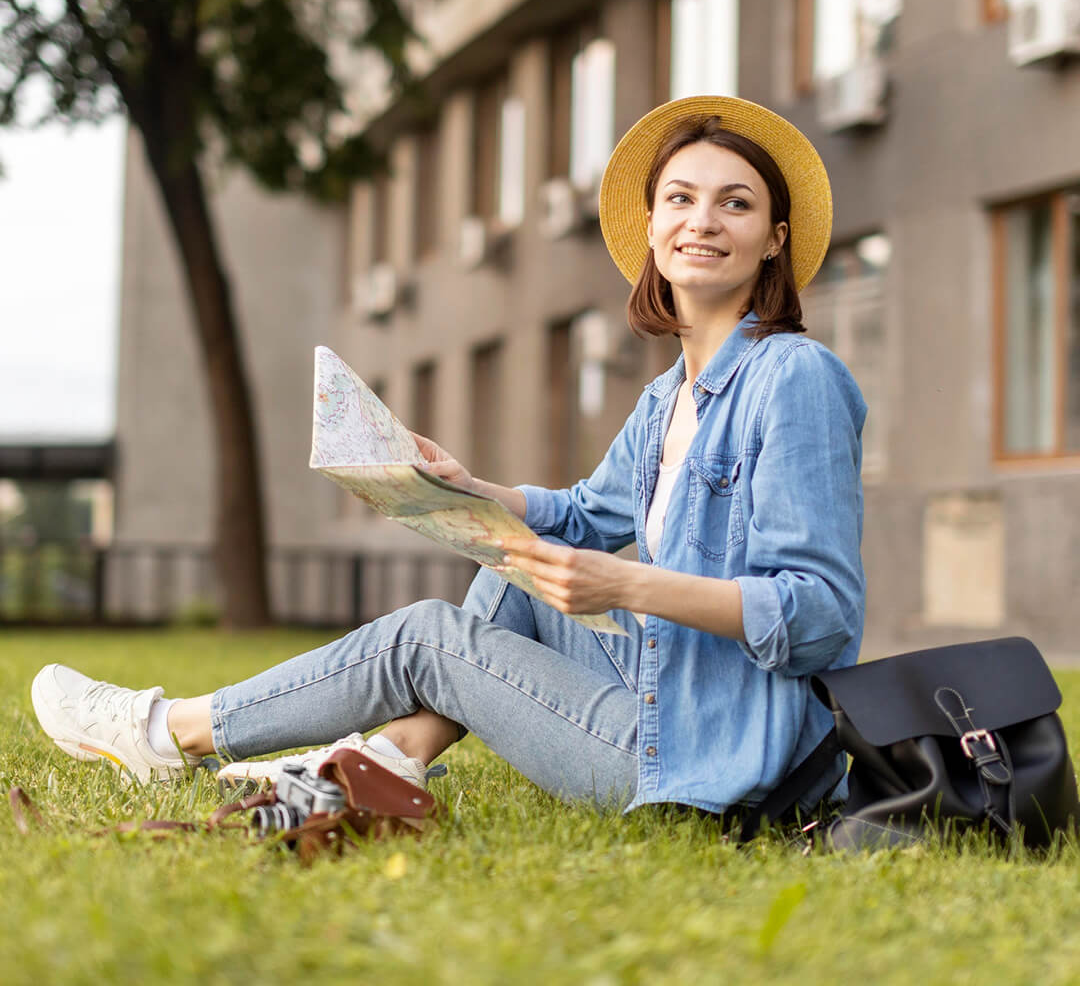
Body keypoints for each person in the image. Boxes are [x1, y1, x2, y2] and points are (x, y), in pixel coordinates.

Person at [30, 95, 866, 817]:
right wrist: (468, 487)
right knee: (515, 565)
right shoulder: (667, 397)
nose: (704, 222)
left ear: (772, 240)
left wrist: (627, 584)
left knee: (428, 638)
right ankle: (387, 763)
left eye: (736, 204)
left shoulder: (795, 377)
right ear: (651, 228)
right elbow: (587, 513)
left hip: (717, 757)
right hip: (665, 695)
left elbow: (820, 615)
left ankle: (165, 732)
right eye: (681, 198)